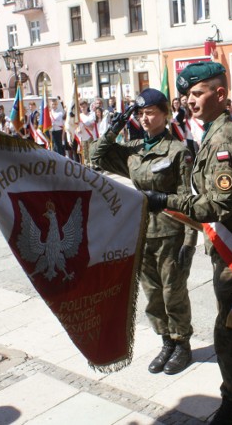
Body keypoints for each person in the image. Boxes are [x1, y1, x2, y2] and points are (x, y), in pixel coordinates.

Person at [143, 62, 232, 424]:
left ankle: (230, 405)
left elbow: (217, 205)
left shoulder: (223, 141)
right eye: (186, 95)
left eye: (197, 94)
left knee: (230, 328)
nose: (189, 101)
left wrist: (164, 200)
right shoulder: (216, 131)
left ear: (219, 93)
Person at [91, 88, 197, 375]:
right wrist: (117, 125)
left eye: (150, 112)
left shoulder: (179, 150)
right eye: (140, 113)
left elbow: (190, 200)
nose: (145, 118)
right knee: (152, 295)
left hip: (172, 234)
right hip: (141, 233)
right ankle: (166, 341)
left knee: (173, 292)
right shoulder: (134, 150)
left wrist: (190, 240)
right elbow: (95, 156)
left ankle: (182, 343)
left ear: (165, 114)